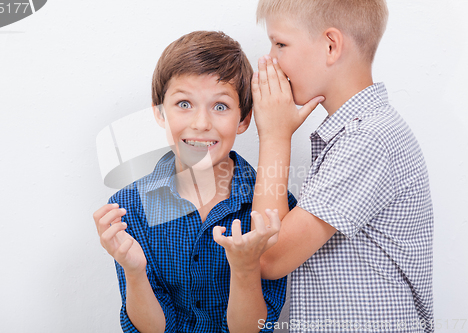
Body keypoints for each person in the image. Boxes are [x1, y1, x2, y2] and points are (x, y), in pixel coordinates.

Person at [93, 31, 298, 333]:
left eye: (220, 106)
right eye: (184, 104)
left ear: (244, 119)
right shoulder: (128, 208)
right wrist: (134, 272)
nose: (201, 123)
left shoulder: (272, 205)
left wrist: (244, 269)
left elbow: (253, 329)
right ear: (160, 112)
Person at [248, 0, 434, 332]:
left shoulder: (367, 140)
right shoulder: (363, 133)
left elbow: (267, 256)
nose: (270, 59)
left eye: (280, 44)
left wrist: (275, 135)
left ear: (331, 46)